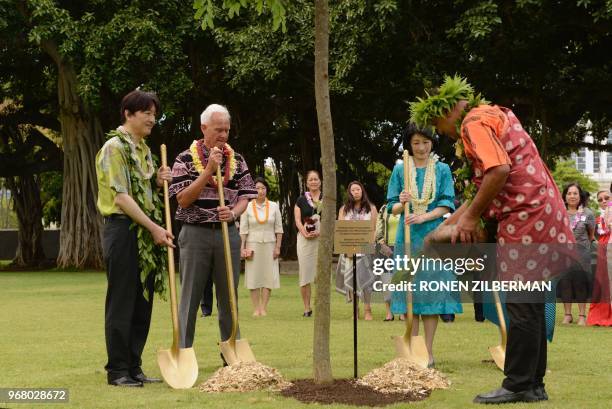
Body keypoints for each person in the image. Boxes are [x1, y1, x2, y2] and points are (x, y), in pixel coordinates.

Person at [410, 75, 575, 404]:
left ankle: (517, 384)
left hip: (526, 216)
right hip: (539, 212)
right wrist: (445, 227)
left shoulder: (472, 124)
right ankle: (533, 384)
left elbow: (498, 171)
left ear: (449, 110)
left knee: (520, 303)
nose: (438, 132)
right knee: (529, 302)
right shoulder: (492, 114)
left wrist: (467, 220)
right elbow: (478, 193)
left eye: (436, 125)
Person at [95, 90, 174, 387]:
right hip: (122, 229)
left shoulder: (145, 150)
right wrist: (154, 228)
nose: (153, 119)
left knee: (143, 302)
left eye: (155, 113)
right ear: (128, 114)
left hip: (144, 230)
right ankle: (117, 371)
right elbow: (122, 198)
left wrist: (156, 180)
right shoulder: (114, 148)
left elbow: (143, 190)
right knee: (122, 300)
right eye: (147, 113)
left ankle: (134, 366)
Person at [169, 104, 257, 353]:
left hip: (227, 233)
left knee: (230, 296)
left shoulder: (237, 160)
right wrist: (208, 170)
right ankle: (183, 350)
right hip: (194, 232)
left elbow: (245, 197)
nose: (223, 135)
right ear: (203, 128)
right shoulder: (184, 158)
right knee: (190, 296)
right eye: (218, 130)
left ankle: (232, 348)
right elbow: (183, 199)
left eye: (227, 130)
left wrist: (233, 212)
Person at [386, 123, 462, 367]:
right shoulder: (400, 171)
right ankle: (412, 348)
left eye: (426, 142)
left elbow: (447, 204)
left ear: (433, 143)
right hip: (406, 238)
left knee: (431, 295)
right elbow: (391, 208)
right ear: (409, 143)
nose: (421, 148)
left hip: (433, 238)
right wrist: (402, 202)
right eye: (416, 142)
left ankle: (428, 353)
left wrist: (424, 217)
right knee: (410, 297)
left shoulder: (442, 170)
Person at [240, 177, 283, 317]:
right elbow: (243, 230)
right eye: (257, 188)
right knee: (254, 277)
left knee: (268, 277)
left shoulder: (274, 206)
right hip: (252, 245)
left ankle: (263, 308)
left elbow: (279, 229)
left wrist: (278, 247)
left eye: (263, 188)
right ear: (253, 190)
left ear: (266, 190)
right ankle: (256, 308)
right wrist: (242, 247)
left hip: (270, 245)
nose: (260, 191)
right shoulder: (247, 206)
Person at [335, 181, 378, 320]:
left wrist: (368, 248)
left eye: (358, 189)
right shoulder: (343, 210)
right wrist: (347, 249)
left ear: (362, 191)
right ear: (349, 193)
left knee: (366, 281)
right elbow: (341, 230)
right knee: (352, 281)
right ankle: (355, 310)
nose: (355, 192)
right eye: (352, 190)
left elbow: (374, 230)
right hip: (349, 249)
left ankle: (367, 309)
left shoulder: (371, 208)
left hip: (365, 249)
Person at [559, 183, 595, 325]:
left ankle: (582, 316)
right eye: (569, 193)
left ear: (580, 196)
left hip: (582, 253)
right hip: (563, 253)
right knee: (565, 283)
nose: (572, 196)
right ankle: (567, 315)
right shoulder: (559, 212)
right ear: (565, 196)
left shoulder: (588, 213)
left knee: (580, 283)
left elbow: (591, 235)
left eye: (575, 193)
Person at [294, 170, 322, 317]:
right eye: (310, 180)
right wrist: (304, 232)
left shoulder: (326, 198)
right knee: (305, 274)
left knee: (321, 274)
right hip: (304, 240)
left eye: (316, 179)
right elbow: (298, 220)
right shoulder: (301, 200)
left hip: (321, 240)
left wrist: (320, 232)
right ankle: (307, 307)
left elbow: (332, 219)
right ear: (307, 182)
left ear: (320, 181)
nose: (313, 182)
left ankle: (322, 306)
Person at [587, 190, 612, 326]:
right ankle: (603, 313)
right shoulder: (599, 218)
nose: (603, 201)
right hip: (603, 247)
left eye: (606, 198)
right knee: (604, 279)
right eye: (600, 199)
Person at [374, 202, 401, 321]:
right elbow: (379, 226)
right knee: (386, 281)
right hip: (386, 248)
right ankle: (389, 313)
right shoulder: (384, 208)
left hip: (404, 247)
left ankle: (402, 312)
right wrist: (381, 243)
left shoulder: (409, 207)